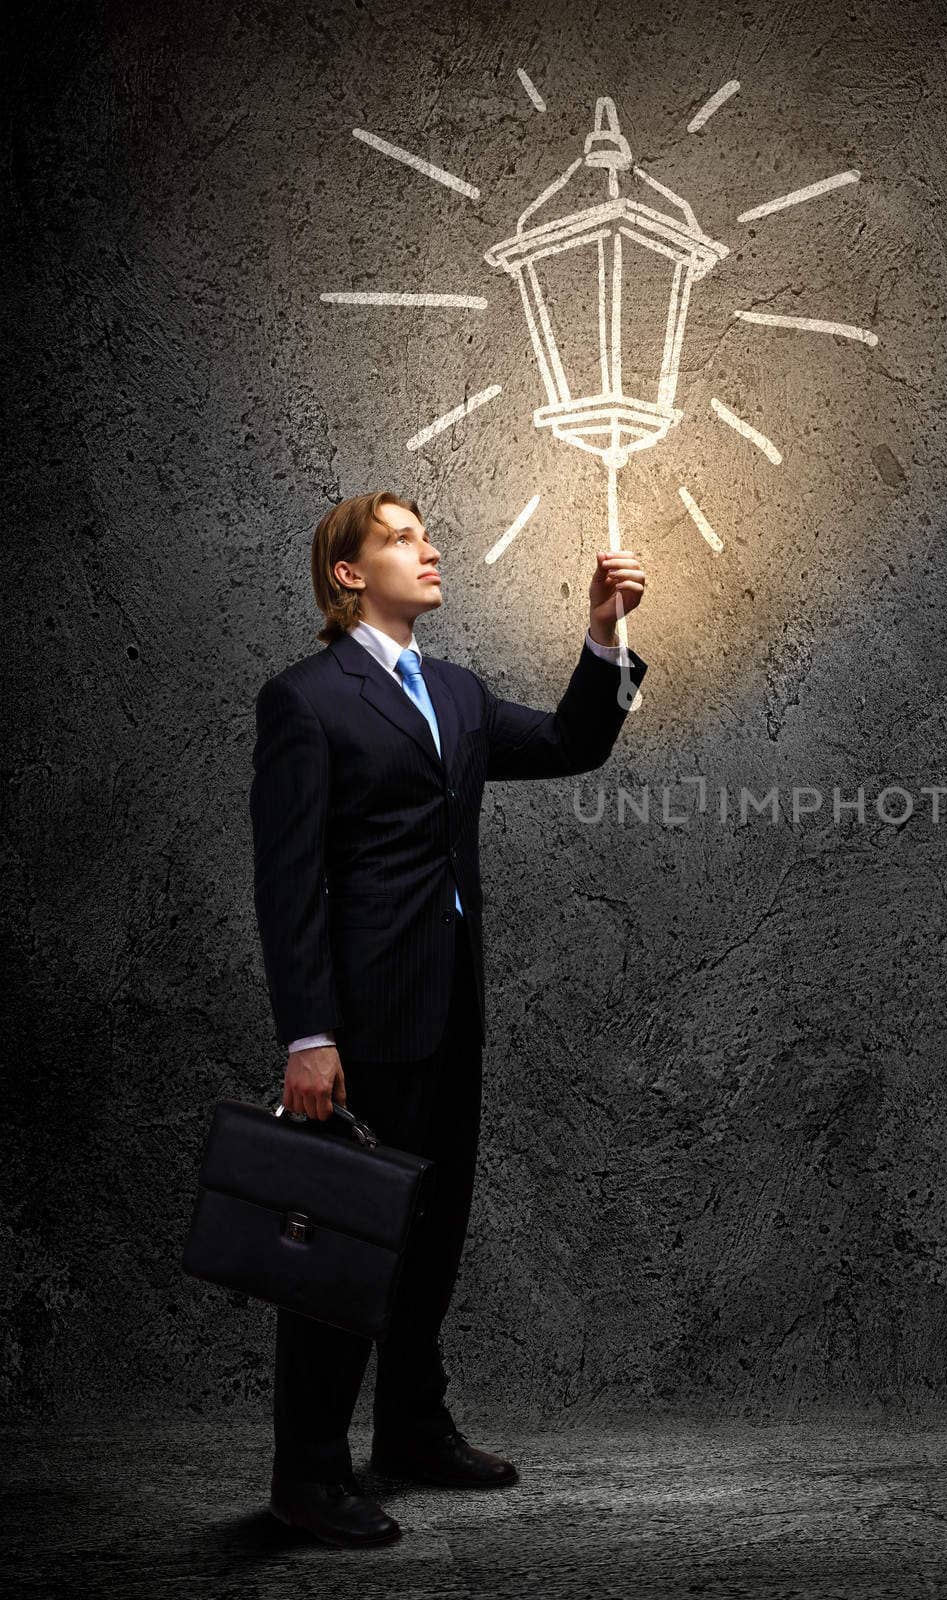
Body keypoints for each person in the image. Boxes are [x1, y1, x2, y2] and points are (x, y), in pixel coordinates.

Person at [249, 490, 647, 1547]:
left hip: (451, 1004)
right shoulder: (304, 700)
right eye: (399, 538)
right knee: (344, 1240)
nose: (429, 549)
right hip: (360, 1019)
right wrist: (309, 1035)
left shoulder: (457, 695)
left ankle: (413, 1431)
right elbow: (288, 886)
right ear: (347, 573)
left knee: (431, 1234)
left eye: (427, 533)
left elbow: (572, 742)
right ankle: (308, 1474)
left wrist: (602, 639)